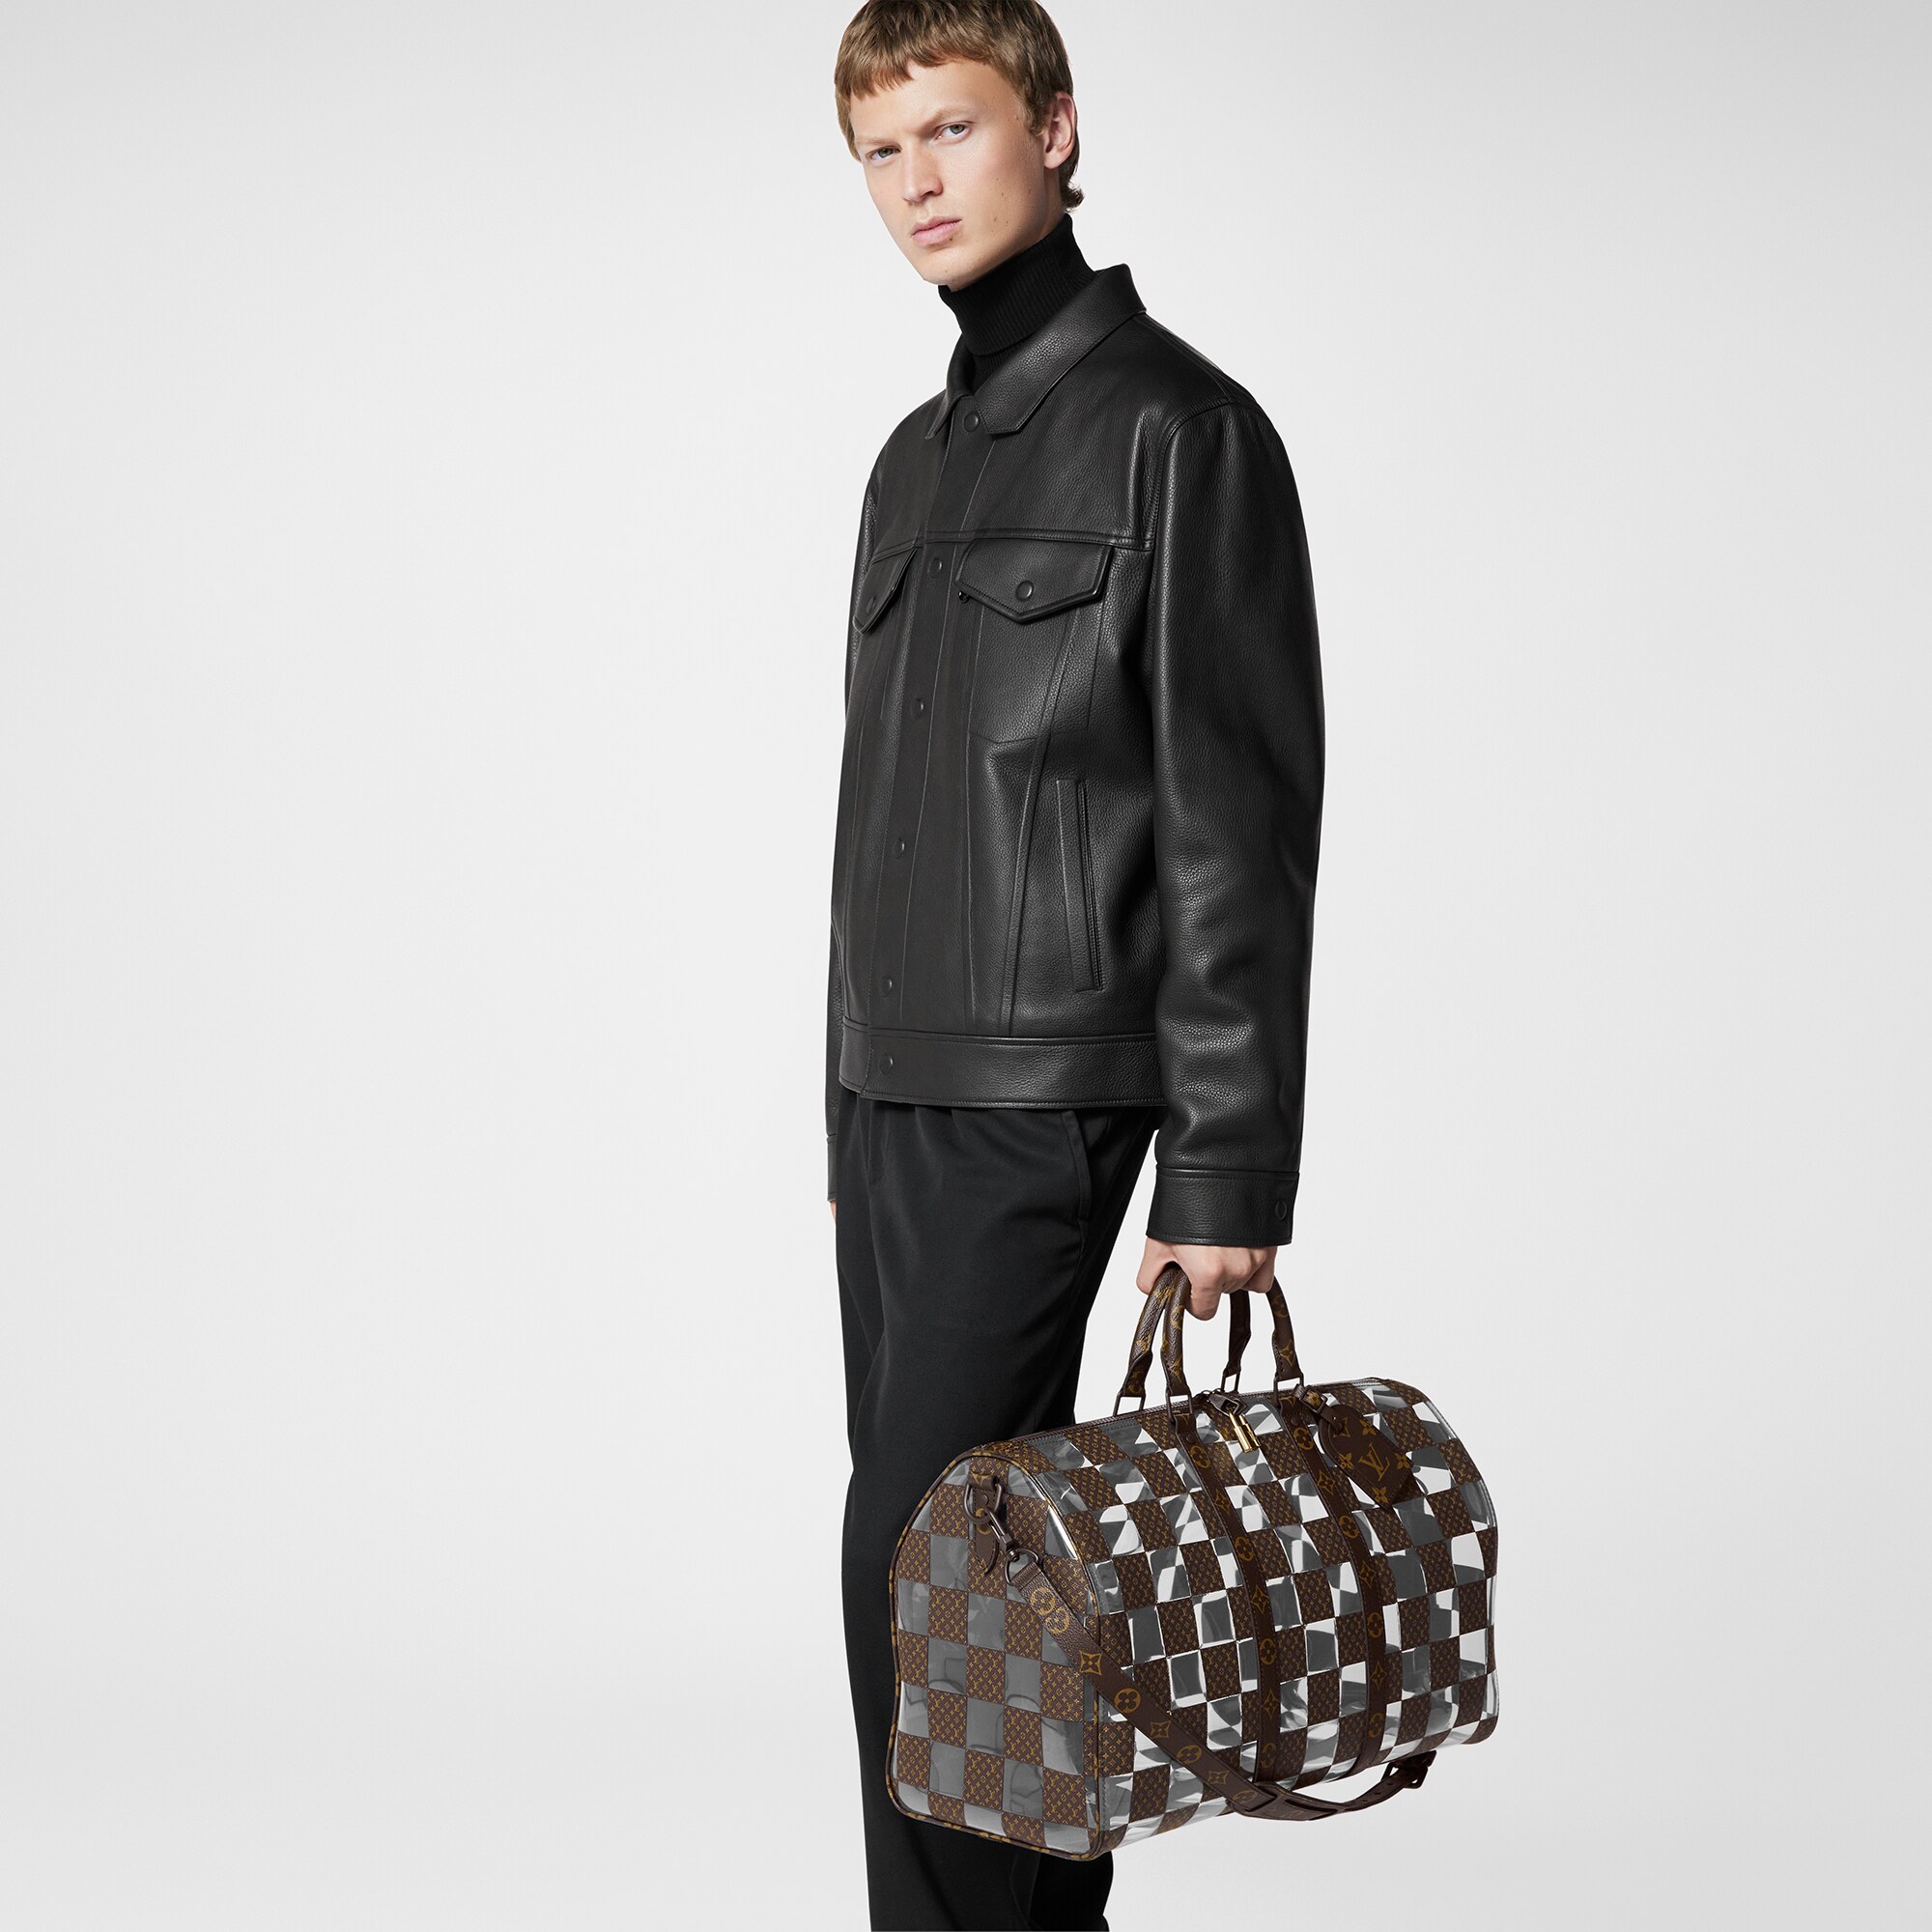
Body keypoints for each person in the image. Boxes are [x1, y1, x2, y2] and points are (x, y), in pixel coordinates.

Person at [826, 3, 1324, 1924]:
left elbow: (1235, 821)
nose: (918, 182)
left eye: (951, 129)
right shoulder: (911, 462)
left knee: (922, 1574)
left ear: (1053, 127)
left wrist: (1227, 1168)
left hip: (1043, 1092)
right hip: (886, 1091)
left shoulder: (1181, 431)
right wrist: (844, 1096)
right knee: (991, 1586)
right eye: (882, 150)